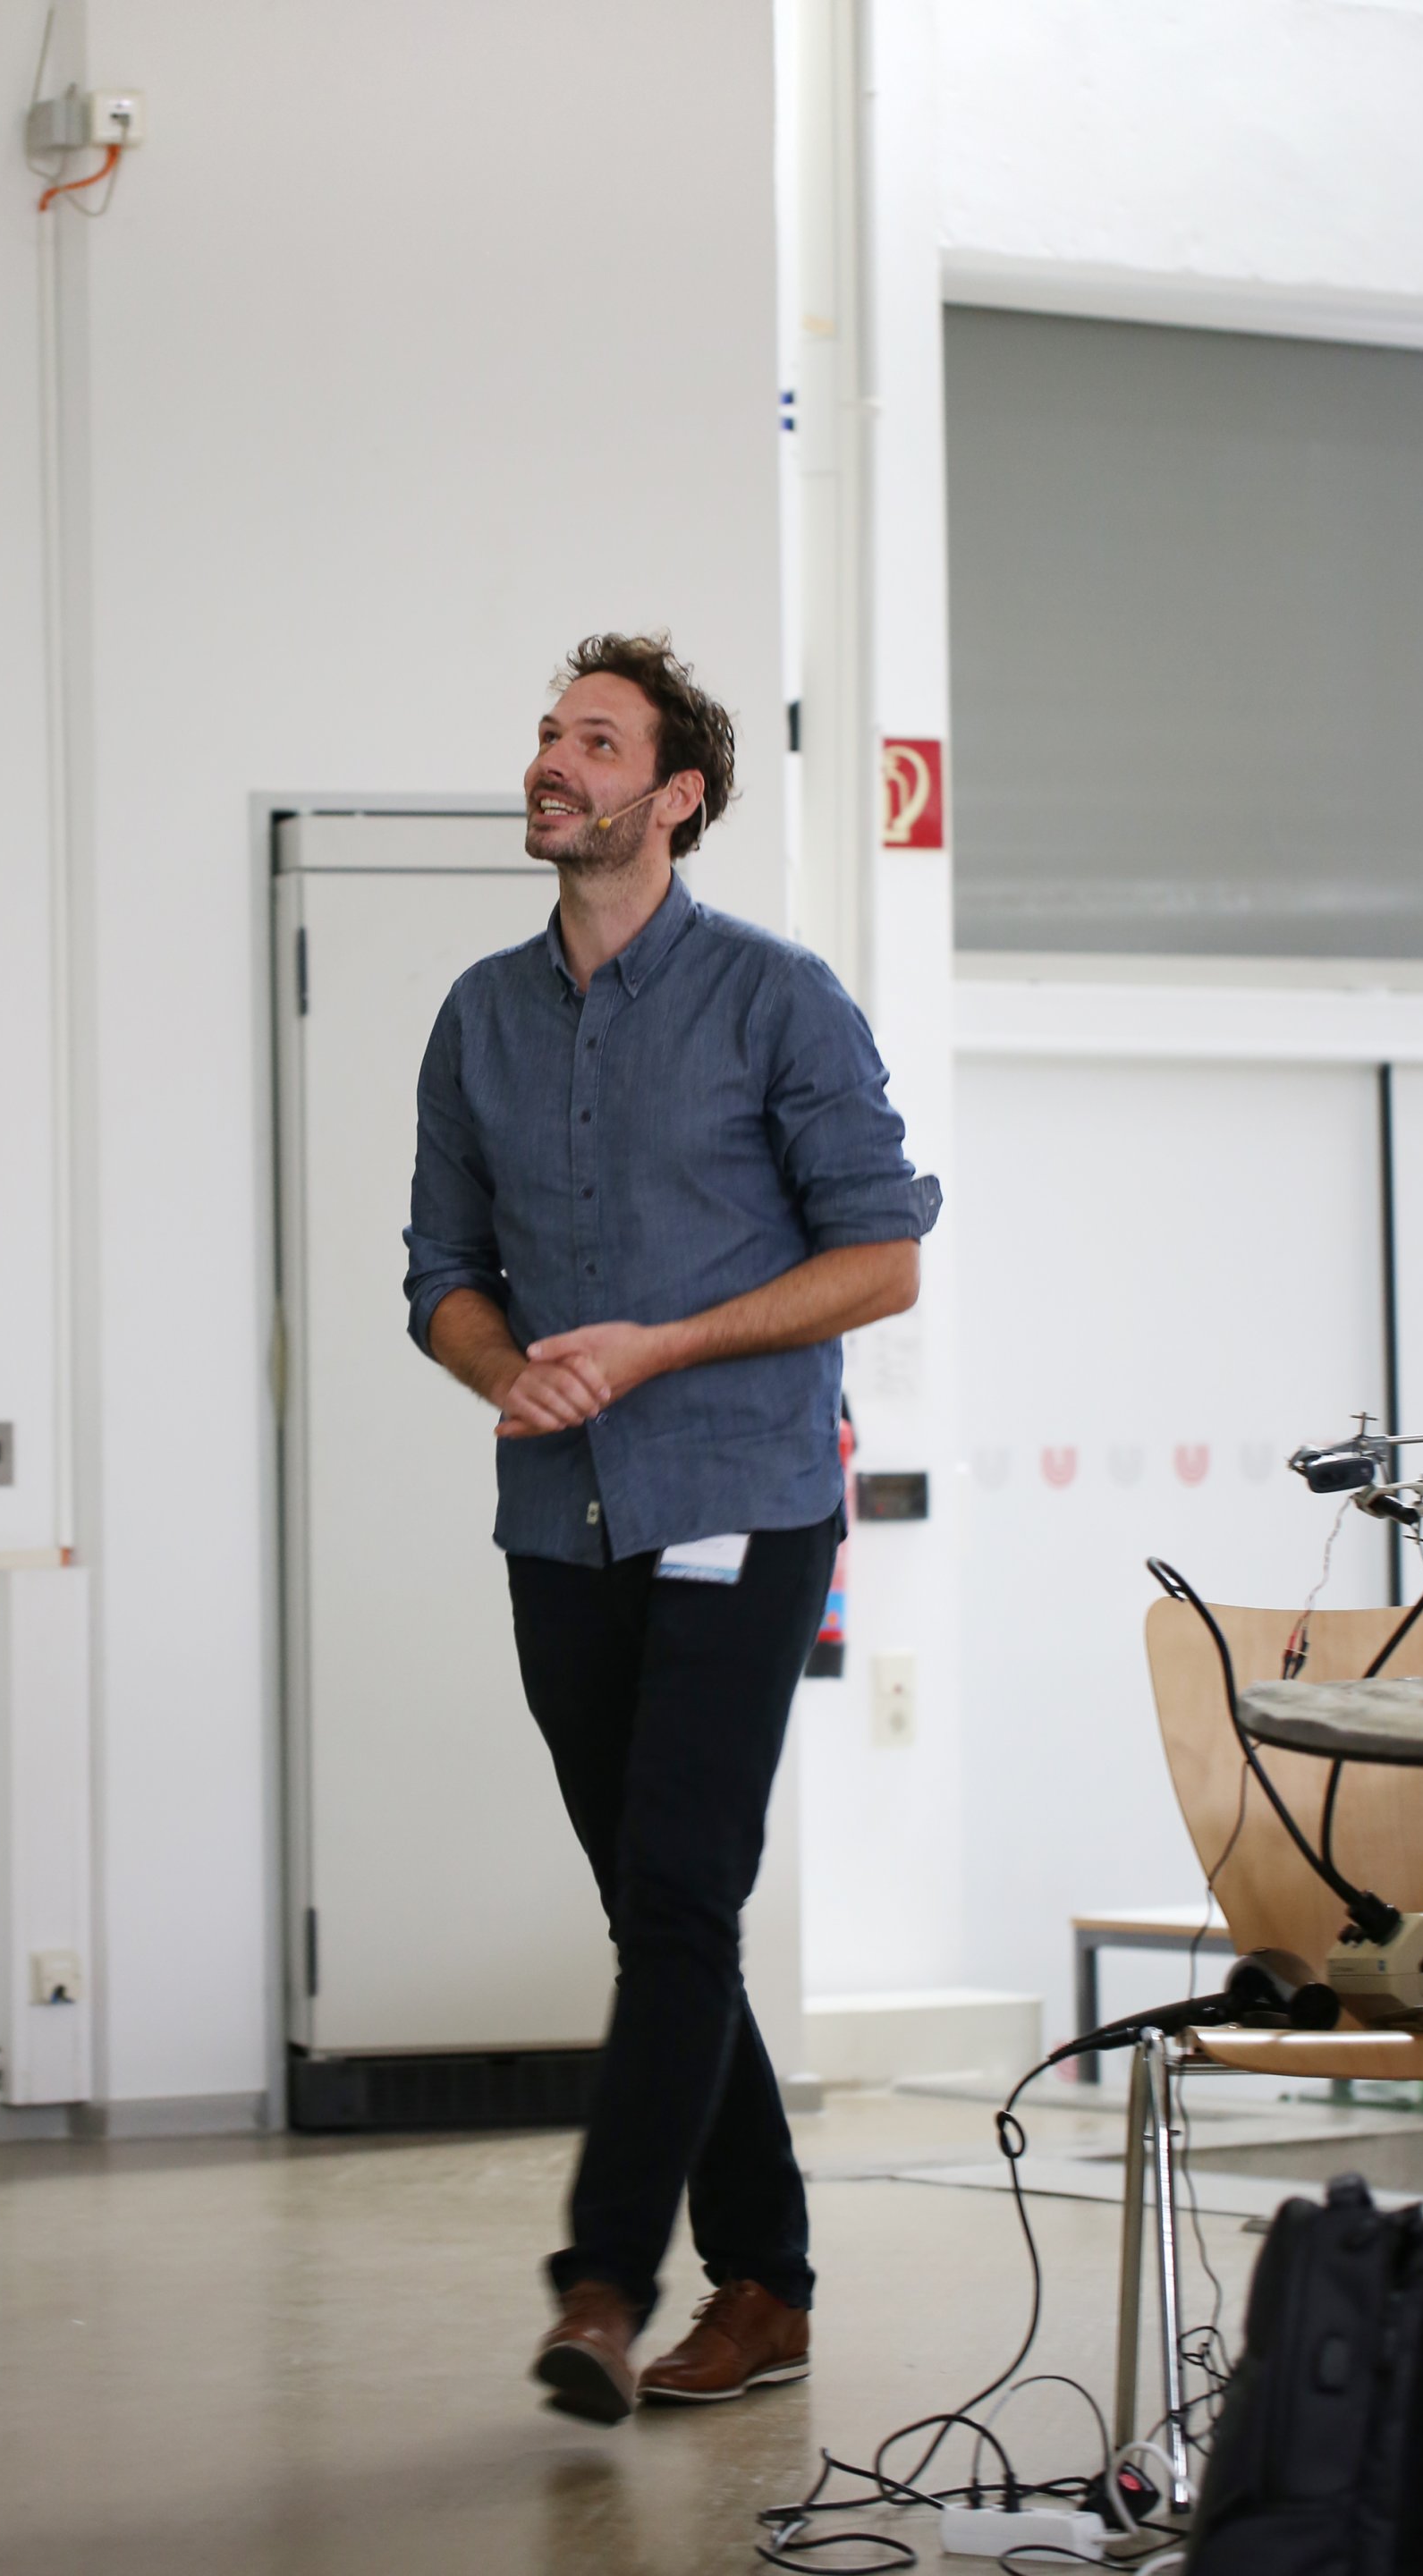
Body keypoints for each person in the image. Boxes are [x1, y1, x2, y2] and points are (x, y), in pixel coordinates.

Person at [402, 632, 940, 2423]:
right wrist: (509, 1377)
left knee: (681, 1896)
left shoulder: (778, 1001)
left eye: (593, 741)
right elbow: (442, 1280)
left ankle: (604, 2285)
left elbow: (883, 1258)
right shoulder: (478, 1014)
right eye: (547, 733)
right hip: (560, 1520)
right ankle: (771, 2283)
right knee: (665, 1913)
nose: (551, 762)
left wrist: (663, 1348)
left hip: (741, 1499)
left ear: (675, 795)